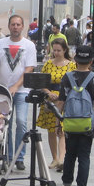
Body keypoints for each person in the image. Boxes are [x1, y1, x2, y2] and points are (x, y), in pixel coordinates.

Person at [0, 14, 37, 171]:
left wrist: (16, 86)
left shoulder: (29, 45)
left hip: (22, 90)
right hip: (3, 91)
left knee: (22, 122)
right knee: (5, 123)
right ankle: (8, 155)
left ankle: (20, 156)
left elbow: (29, 68)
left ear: (22, 26)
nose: (15, 27)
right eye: (13, 24)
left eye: (18, 24)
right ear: (9, 26)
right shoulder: (0, 43)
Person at [57, 45, 94, 186]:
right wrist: (93, 116)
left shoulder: (67, 77)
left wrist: (59, 121)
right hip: (87, 124)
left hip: (70, 122)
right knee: (84, 156)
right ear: (91, 60)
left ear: (75, 60)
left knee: (69, 155)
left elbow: (61, 101)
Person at [36, 39, 75, 169]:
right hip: (50, 100)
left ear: (65, 50)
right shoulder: (48, 64)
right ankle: (54, 158)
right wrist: (48, 93)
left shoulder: (71, 65)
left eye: (59, 50)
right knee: (51, 130)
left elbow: (73, 85)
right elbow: (42, 82)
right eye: (54, 50)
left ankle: (62, 159)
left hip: (64, 99)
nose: (56, 53)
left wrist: (62, 95)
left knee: (62, 130)